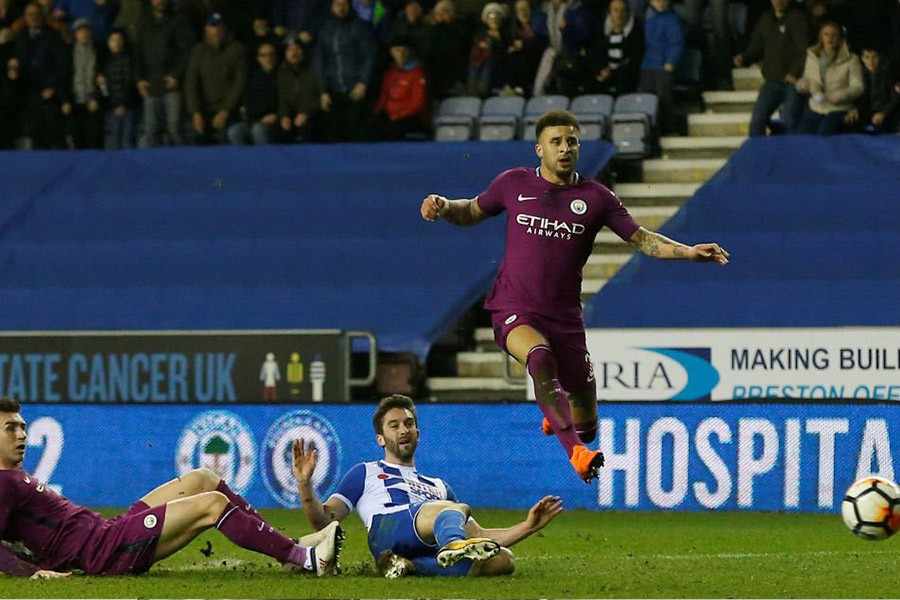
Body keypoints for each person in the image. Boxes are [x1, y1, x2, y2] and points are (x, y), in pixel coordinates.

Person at [419, 110, 729, 483]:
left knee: (588, 424)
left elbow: (642, 238)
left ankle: (563, 422)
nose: (565, 148)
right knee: (539, 356)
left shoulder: (596, 197)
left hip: (565, 318)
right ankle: (576, 453)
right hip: (513, 308)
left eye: (571, 141)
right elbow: (470, 210)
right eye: (556, 142)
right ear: (539, 149)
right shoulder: (513, 183)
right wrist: (443, 205)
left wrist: (689, 251)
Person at [0, 397, 342, 578]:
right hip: (100, 553)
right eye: (10, 429)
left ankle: (288, 549)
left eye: (22, 427)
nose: (22, 435)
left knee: (202, 479)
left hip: (105, 532)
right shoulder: (3, 483)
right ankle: (306, 559)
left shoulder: (13, 477)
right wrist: (32, 574)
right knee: (211, 504)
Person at [293, 394, 563, 578]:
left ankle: (408, 566)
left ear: (418, 434)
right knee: (453, 511)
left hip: (428, 540)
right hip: (387, 529)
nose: (403, 430)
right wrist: (305, 485)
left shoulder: (438, 487)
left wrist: (528, 526)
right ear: (381, 439)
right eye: (394, 425)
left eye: (409, 424)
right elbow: (324, 522)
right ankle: (451, 546)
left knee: (503, 559)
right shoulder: (366, 471)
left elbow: (477, 534)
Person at [733, 0, 810, 136]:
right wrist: (744, 58)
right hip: (772, 81)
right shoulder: (766, 19)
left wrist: (794, 72)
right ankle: (758, 153)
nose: (779, 2)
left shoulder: (798, 19)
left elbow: (803, 50)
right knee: (757, 122)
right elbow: (757, 46)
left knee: (789, 120)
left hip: (793, 83)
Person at [184, 13, 247, 145]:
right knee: (191, 134)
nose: (217, 30)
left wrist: (225, 111)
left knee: (229, 134)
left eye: (220, 26)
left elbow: (239, 83)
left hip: (230, 112)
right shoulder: (199, 51)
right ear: (206, 29)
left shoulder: (236, 50)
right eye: (213, 26)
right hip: (205, 111)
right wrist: (195, 112)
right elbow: (191, 83)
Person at [795, 20, 862, 135]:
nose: (830, 38)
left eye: (834, 35)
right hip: (816, 106)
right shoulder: (812, 56)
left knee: (825, 131)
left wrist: (839, 96)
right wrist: (802, 85)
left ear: (840, 38)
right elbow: (806, 78)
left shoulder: (851, 59)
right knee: (802, 132)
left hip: (839, 107)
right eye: (826, 34)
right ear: (821, 37)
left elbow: (858, 87)